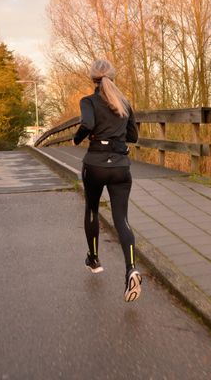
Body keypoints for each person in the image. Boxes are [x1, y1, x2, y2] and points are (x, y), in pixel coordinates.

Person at [72, 59, 142, 302]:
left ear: (92, 79)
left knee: (92, 209)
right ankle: (131, 268)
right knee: (121, 219)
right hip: (121, 167)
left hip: (96, 165)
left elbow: (87, 123)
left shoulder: (88, 101)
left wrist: (77, 138)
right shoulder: (124, 103)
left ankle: (93, 259)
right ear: (113, 77)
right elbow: (133, 135)